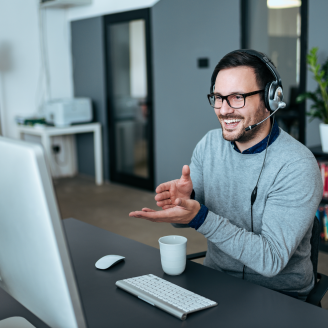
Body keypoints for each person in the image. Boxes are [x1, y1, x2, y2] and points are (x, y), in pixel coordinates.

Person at [129, 50, 323, 300]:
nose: (223, 110)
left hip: (280, 295)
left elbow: (271, 260)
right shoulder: (208, 145)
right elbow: (187, 218)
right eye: (218, 98)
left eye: (237, 98)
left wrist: (200, 216)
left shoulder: (297, 165)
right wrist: (184, 205)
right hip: (216, 280)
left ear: (269, 99)